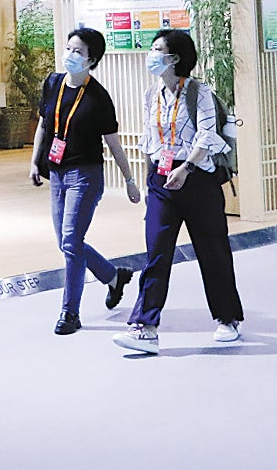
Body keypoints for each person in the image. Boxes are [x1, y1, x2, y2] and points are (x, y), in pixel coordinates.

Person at [114, 29, 244, 355]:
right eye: (153, 49)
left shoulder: (199, 92)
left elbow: (207, 135)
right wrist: (149, 179)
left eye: (159, 50)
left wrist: (185, 169)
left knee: (212, 251)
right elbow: (150, 139)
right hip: (162, 181)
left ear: (176, 58)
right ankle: (145, 326)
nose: (152, 55)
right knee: (157, 253)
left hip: (197, 178)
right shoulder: (151, 95)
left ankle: (227, 318)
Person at [30, 27, 139, 335]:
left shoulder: (97, 97)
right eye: (69, 49)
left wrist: (130, 180)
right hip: (56, 173)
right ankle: (114, 277)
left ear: (92, 60)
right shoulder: (53, 83)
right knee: (68, 243)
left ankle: (70, 313)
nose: (71, 55)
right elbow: (43, 125)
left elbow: (114, 143)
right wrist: (34, 162)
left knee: (71, 243)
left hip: (85, 176)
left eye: (78, 52)